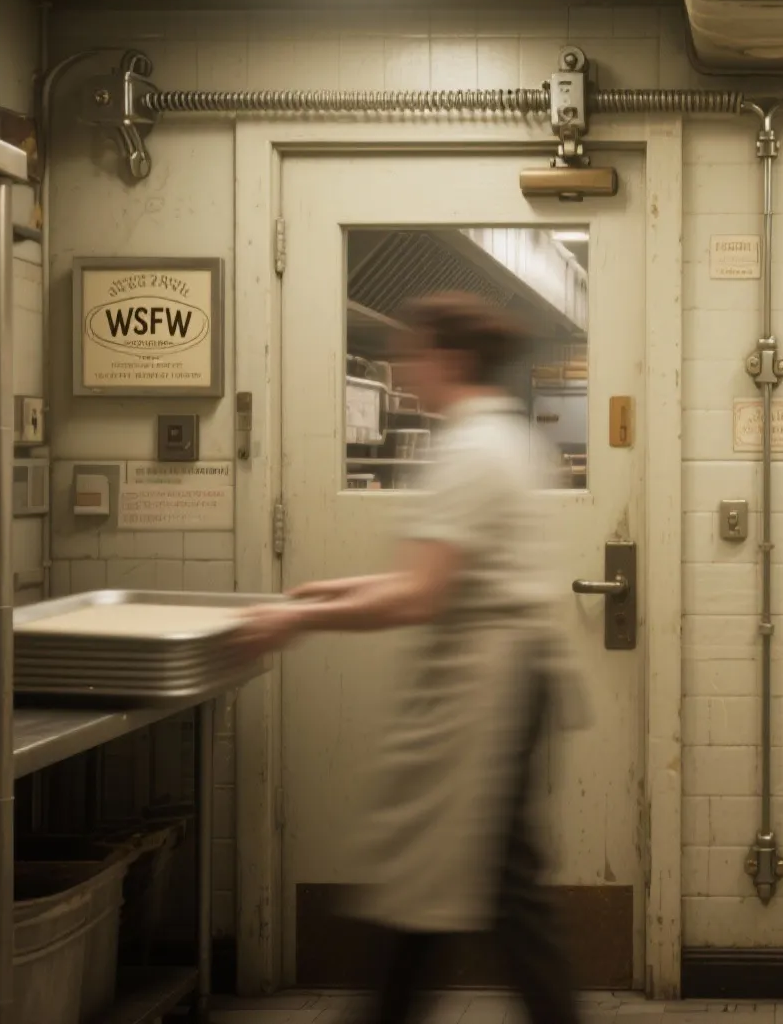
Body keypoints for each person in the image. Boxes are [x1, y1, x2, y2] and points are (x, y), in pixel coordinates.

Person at [231, 292, 584, 1024]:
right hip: (512, 672)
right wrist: (331, 593)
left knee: (446, 869)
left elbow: (423, 597)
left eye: (412, 353)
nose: (401, 368)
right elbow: (444, 579)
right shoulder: (497, 437)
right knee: (479, 875)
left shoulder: (471, 450)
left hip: (488, 683)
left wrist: (296, 620)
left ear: (449, 359)